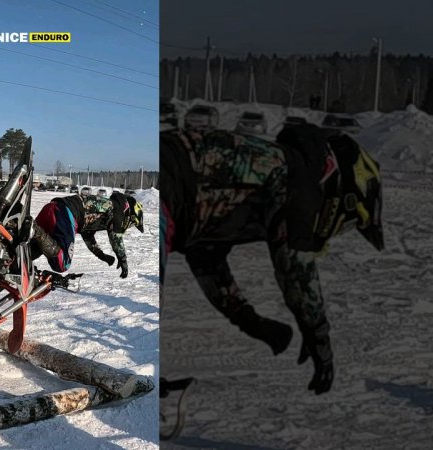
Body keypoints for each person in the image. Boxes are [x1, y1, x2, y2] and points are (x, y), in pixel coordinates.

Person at [160, 124, 384, 395]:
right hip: (164, 190)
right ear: (344, 194)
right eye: (346, 224)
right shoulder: (298, 177)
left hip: (169, 190)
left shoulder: (275, 167)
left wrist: (253, 323)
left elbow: (206, 256)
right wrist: (317, 335)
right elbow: (295, 266)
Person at [31, 192, 144, 278]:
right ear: (131, 215)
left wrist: (102, 256)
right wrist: (122, 259)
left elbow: (88, 235)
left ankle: (18, 258)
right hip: (65, 213)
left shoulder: (104, 208)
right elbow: (115, 236)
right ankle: (35, 229)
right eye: (132, 224)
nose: (128, 227)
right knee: (62, 263)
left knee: (31, 251)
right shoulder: (118, 209)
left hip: (52, 208)